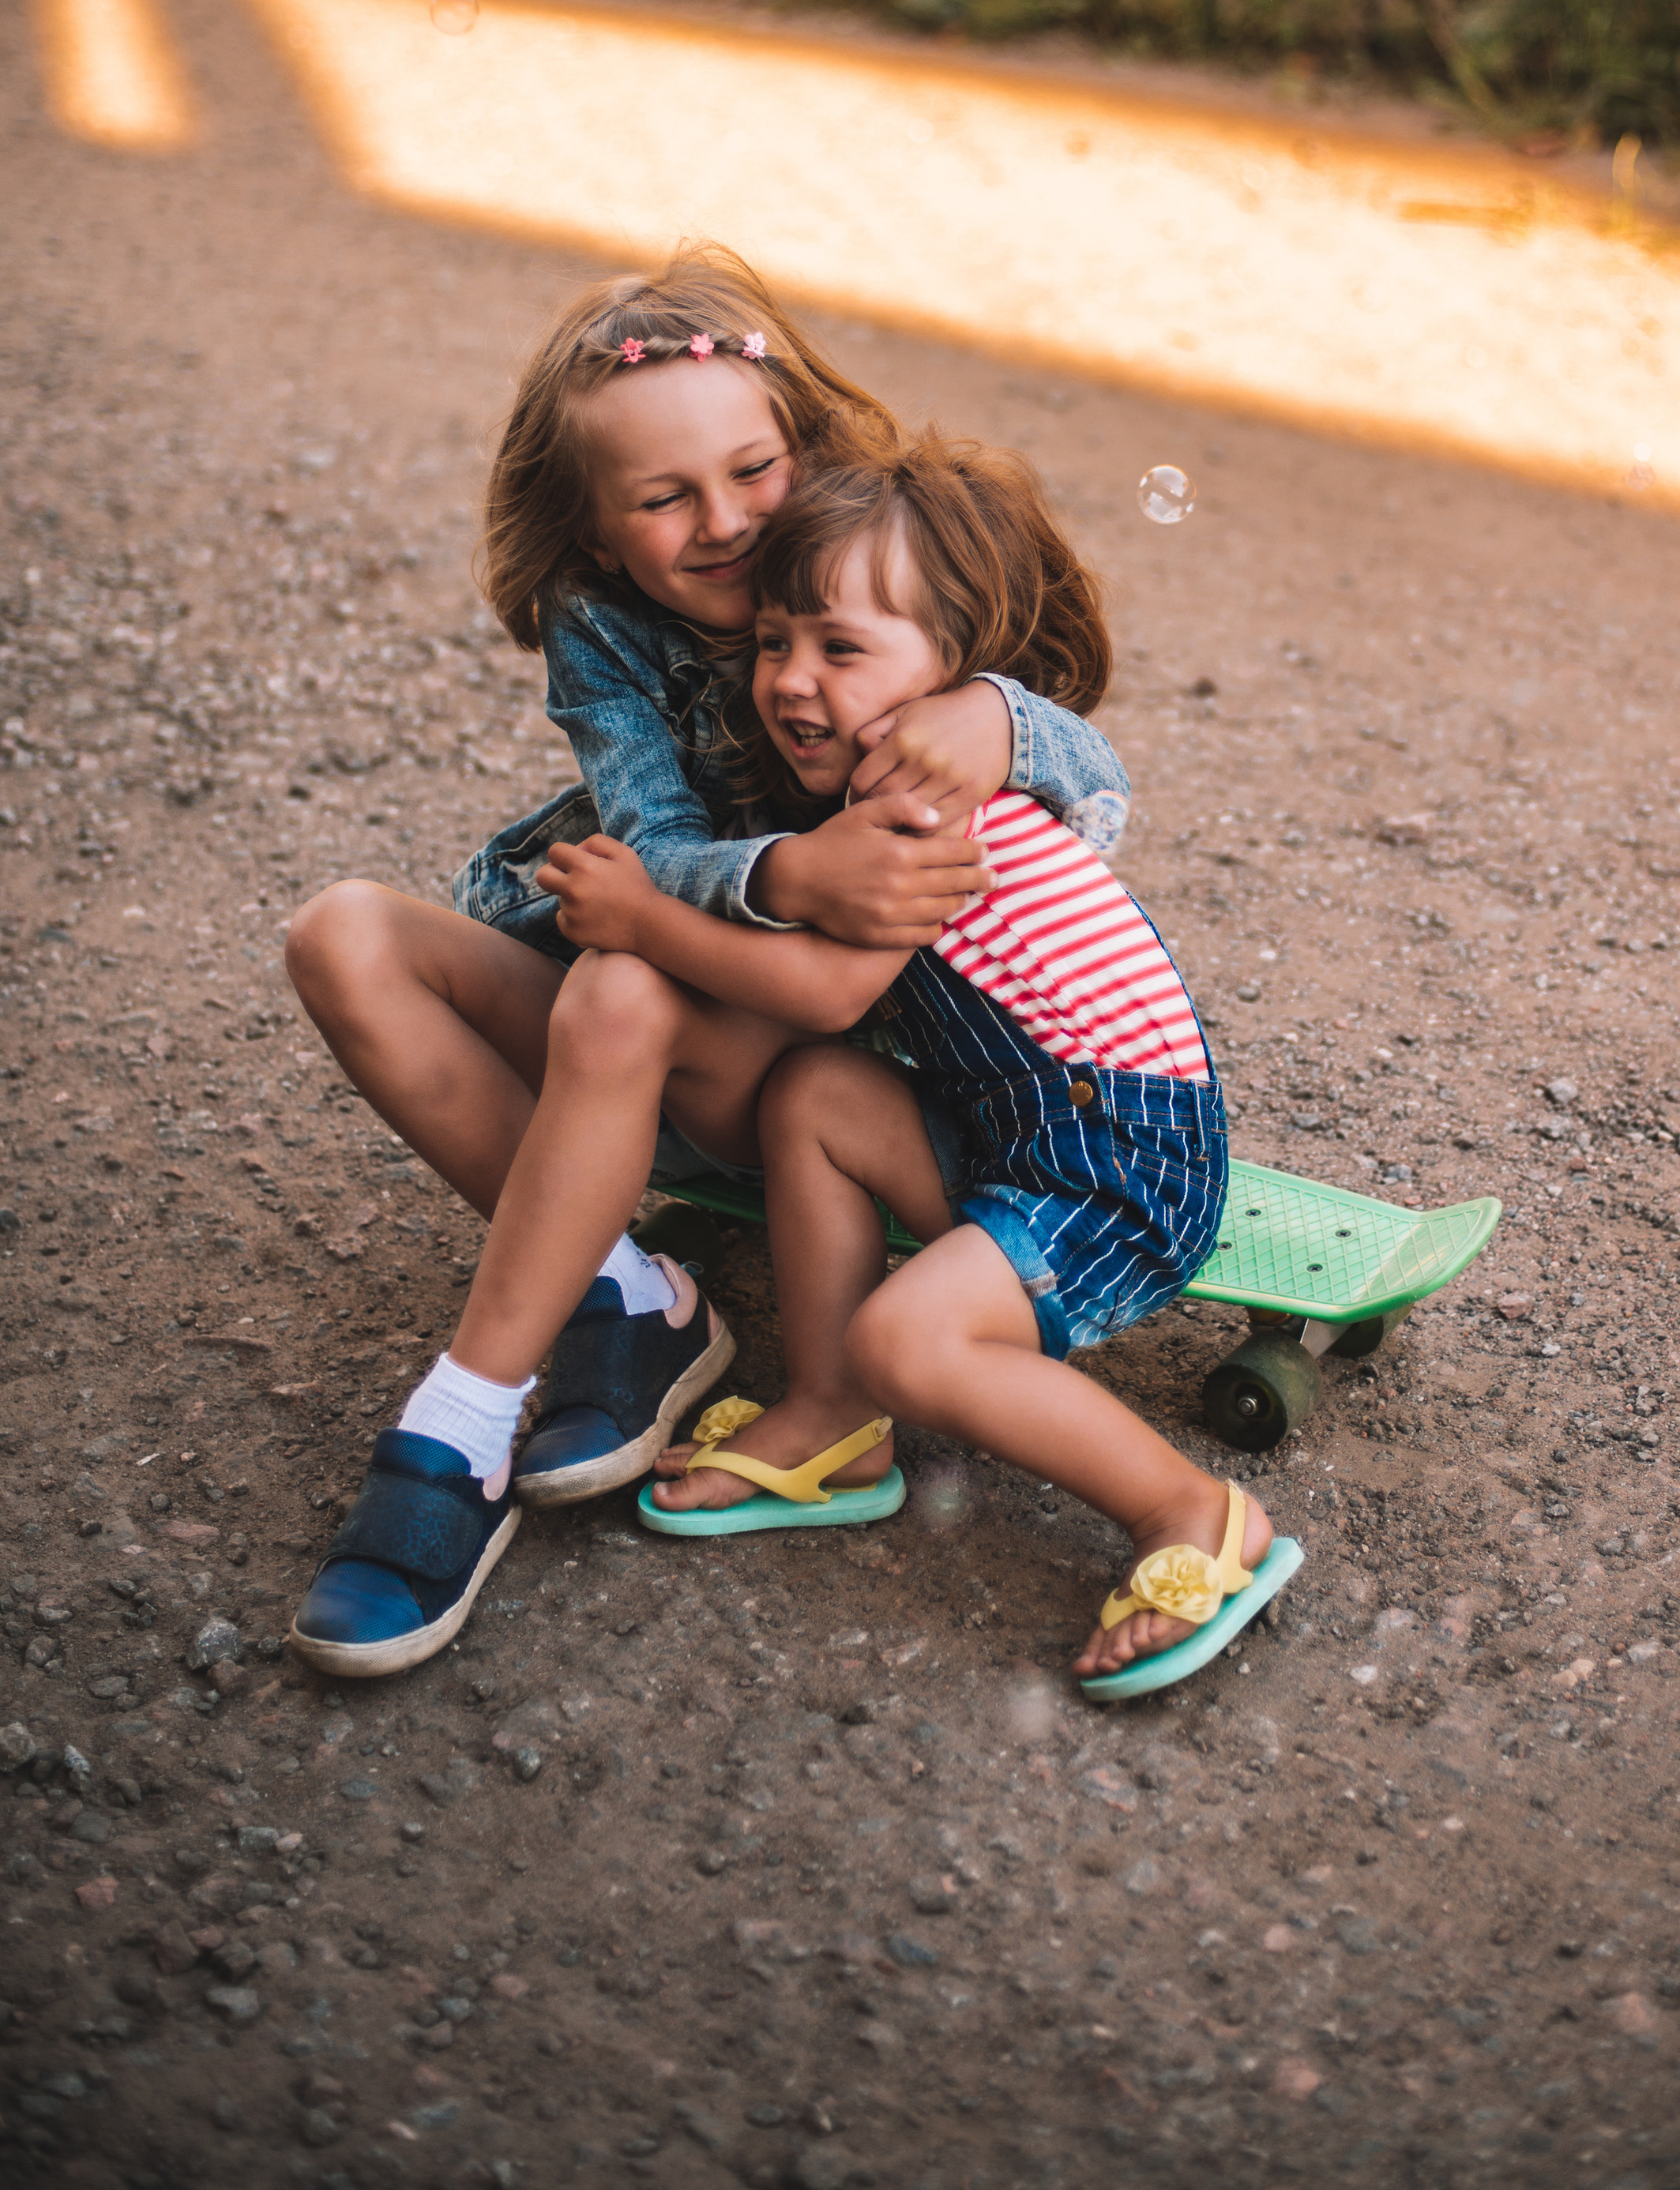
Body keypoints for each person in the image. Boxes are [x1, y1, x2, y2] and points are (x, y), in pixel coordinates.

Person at [284, 250, 1128, 1677]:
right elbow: (654, 845)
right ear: (598, 531)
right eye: (665, 499)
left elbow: (1092, 776)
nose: (727, 523)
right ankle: (627, 1301)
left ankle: (461, 1421)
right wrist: (791, 872)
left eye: (752, 473)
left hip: (801, 1071)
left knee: (623, 978)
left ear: (803, 448)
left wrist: (999, 714)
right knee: (341, 932)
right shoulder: (599, 626)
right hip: (636, 1022)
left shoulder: (872, 557)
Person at [536, 433, 1302, 1701]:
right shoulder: (877, 796)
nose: (790, 681)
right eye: (774, 642)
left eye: (840, 650)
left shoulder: (922, 803)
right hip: (1019, 1131)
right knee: (815, 1097)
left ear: (950, 676)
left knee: (908, 1339)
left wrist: (645, 920)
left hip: (1118, 1164)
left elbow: (825, 990)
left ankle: (1196, 1514)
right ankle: (833, 1419)